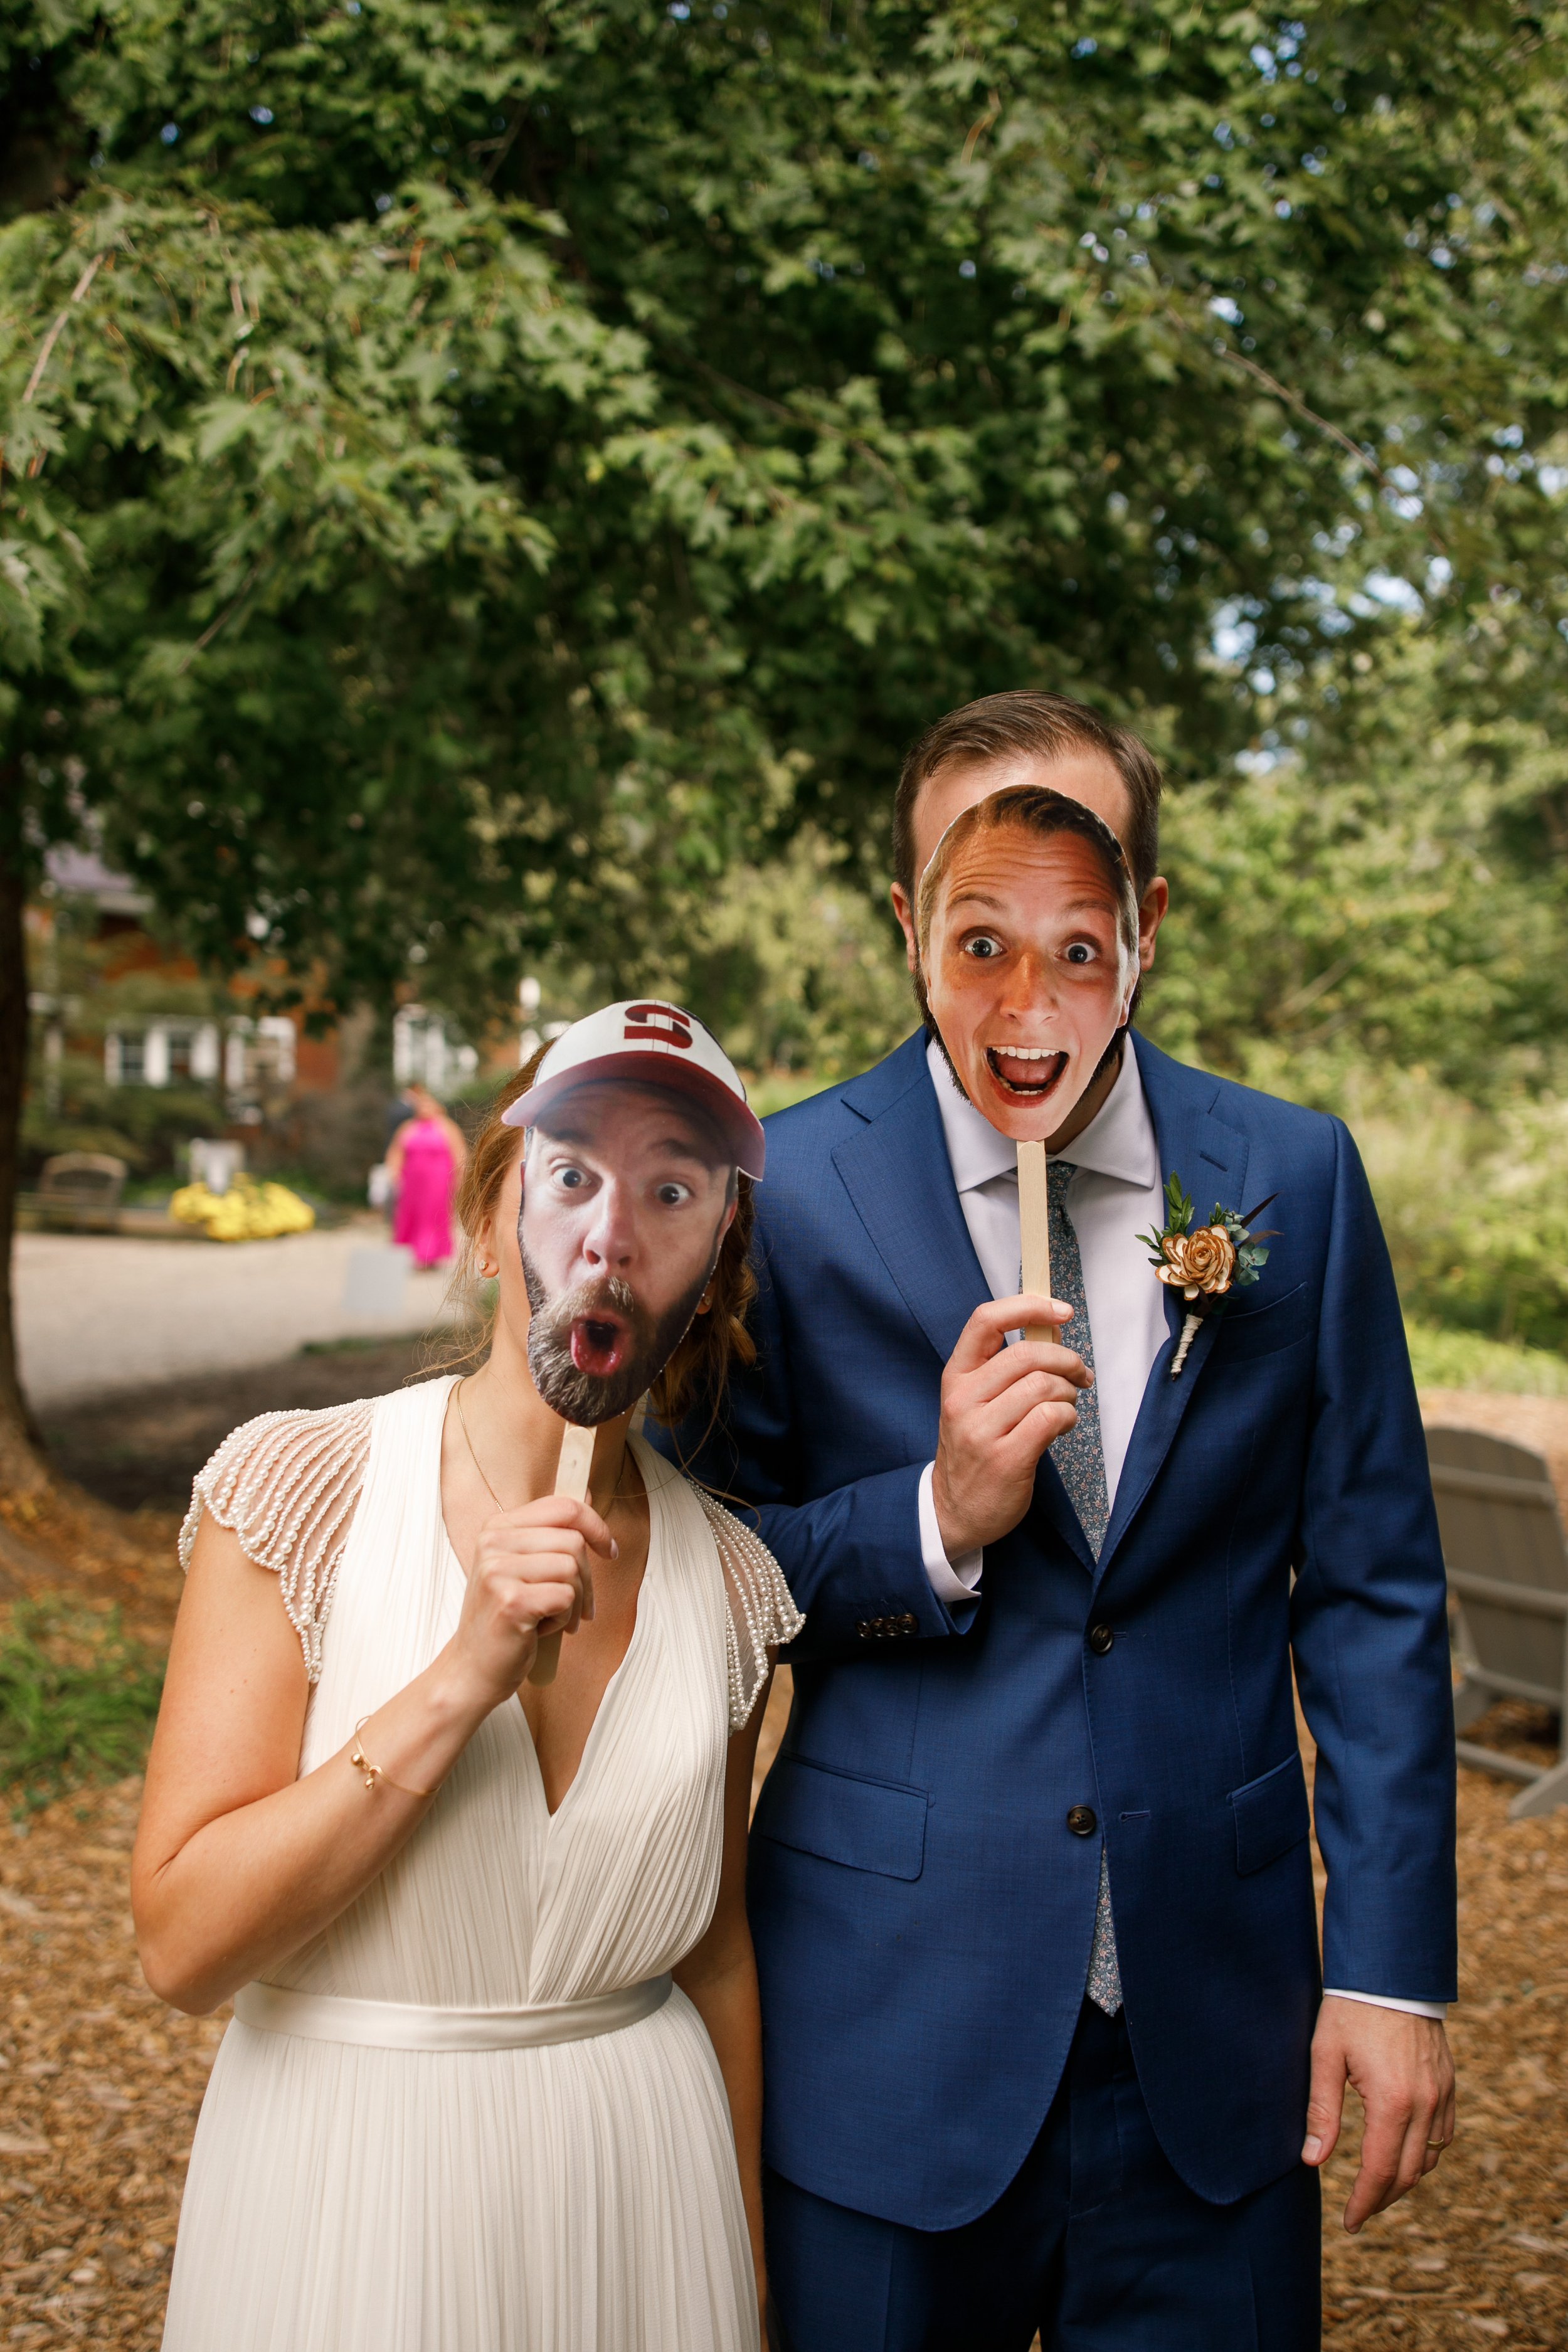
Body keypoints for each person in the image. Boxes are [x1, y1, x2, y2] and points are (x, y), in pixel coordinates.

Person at [661, 691, 1458, 2351]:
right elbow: (704, 1573)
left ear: (1142, 920)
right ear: (908, 924)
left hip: (1215, 2046)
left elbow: (1372, 1593)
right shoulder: (782, 1192)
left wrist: (1388, 1965)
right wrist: (934, 1516)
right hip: (888, 2031)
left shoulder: (1290, 1179)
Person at [134, 1001, 800, 2352]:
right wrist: (461, 1676)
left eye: (671, 1188)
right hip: (350, 2203)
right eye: (569, 1176)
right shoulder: (300, 1491)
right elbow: (182, 1944)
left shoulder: (730, 1586)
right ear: (492, 1223)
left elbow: (717, 1954)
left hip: (643, 2204)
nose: (609, 1234)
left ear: (709, 1267)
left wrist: (745, 2268)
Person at [387, 1082, 468, 1268]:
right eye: (421, 1105)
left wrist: (460, 1178)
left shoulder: (447, 1127)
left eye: (428, 1105)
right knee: (412, 1214)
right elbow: (396, 1152)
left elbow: (459, 1153)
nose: (424, 1109)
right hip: (413, 1179)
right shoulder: (409, 1127)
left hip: (438, 1179)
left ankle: (430, 1254)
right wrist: (394, 1173)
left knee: (433, 1215)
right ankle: (414, 1252)